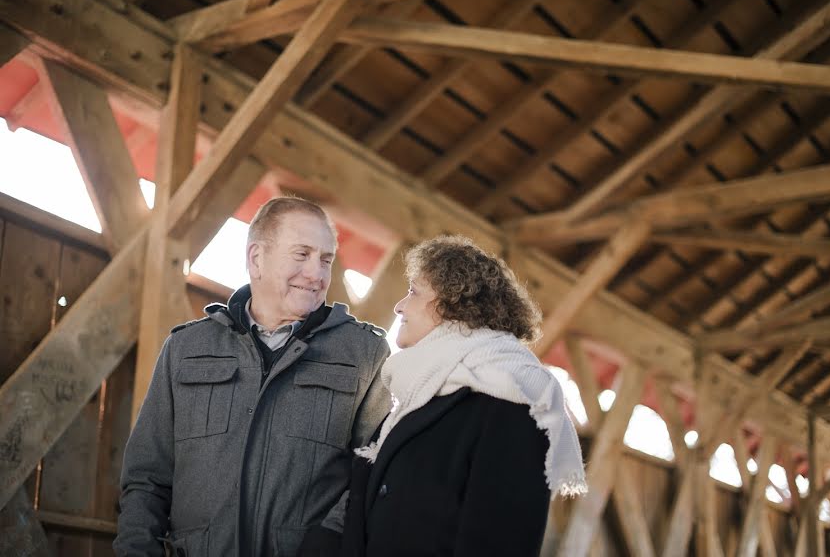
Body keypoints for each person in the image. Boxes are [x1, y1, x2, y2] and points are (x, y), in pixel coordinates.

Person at [114, 197, 392, 556]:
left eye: (326, 259)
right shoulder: (186, 348)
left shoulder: (364, 354)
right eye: (301, 254)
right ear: (256, 258)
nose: (317, 274)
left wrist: (326, 545)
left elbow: (372, 472)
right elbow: (145, 479)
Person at [342, 235, 587, 557]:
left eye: (414, 291)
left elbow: (501, 542)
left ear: (453, 304)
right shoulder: (417, 398)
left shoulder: (514, 403)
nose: (399, 305)